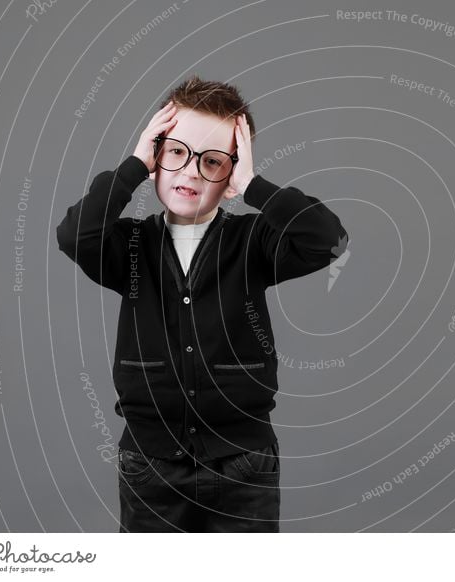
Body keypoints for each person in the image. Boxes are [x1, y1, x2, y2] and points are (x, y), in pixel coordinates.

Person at [56, 75, 348, 532]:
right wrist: (134, 165)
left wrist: (253, 185)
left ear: (229, 174)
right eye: (175, 152)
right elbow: (75, 235)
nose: (191, 171)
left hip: (243, 463)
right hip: (151, 462)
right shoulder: (131, 246)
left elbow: (328, 240)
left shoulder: (252, 242)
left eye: (212, 162)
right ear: (157, 156)